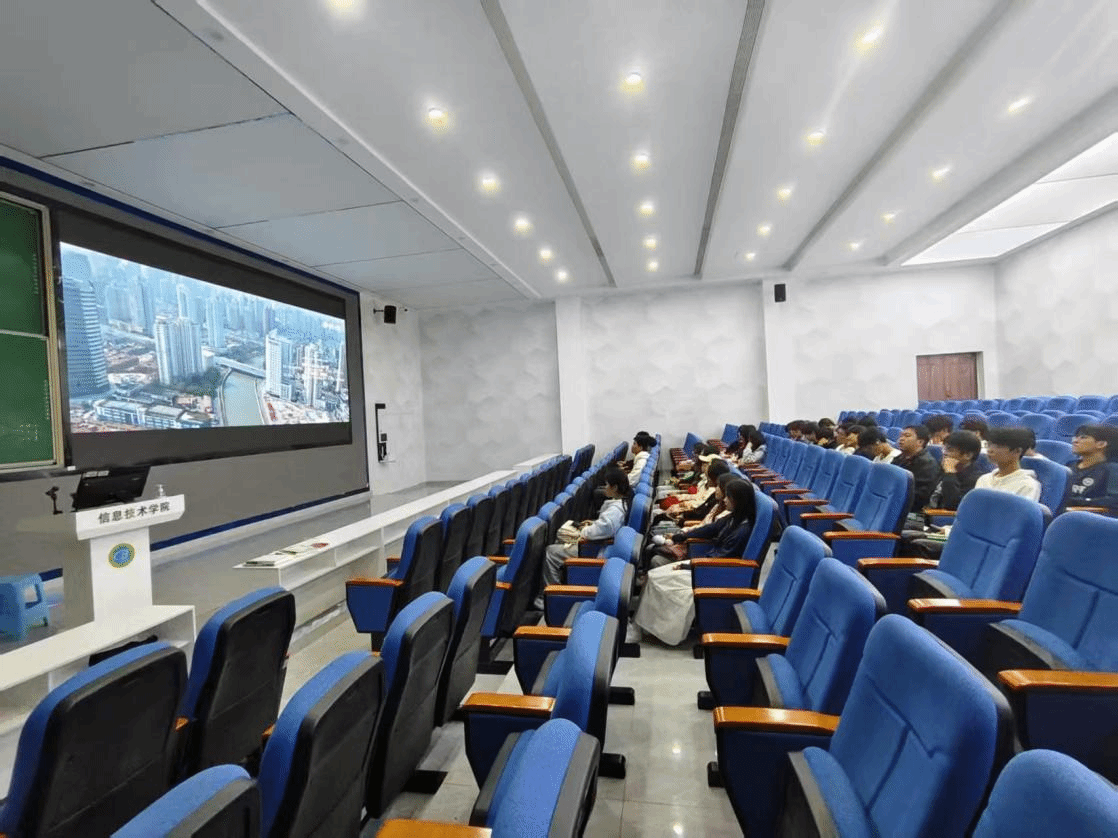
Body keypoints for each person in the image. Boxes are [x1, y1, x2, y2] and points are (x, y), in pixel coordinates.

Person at [634, 478, 756, 645]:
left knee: (658, 579)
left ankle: (661, 631)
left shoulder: (743, 530)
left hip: (712, 572)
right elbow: (709, 529)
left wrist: (688, 565)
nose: (725, 500)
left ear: (738, 500)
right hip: (705, 566)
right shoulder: (733, 518)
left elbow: (721, 558)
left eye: (729, 497)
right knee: (654, 574)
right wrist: (681, 536)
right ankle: (645, 627)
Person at [537, 466, 632, 604]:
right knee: (559, 545)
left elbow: (598, 531)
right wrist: (593, 523)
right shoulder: (622, 503)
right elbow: (604, 527)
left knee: (551, 552)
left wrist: (584, 530)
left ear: (615, 487)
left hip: (593, 550)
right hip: (598, 545)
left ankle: (552, 597)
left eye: (607, 485)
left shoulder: (614, 511)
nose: (605, 488)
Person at [975, 427, 1041, 501]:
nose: (990, 450)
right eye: (989, 445)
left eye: (999, 446)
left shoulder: (1028, 485)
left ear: (1017, 451)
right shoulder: (984, 479)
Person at [927, 430, 985, 510]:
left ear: (968, 455)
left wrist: (950, 473)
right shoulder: (940, 467)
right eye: (944, 449)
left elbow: (953, 505)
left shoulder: (976, 479)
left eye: (950, 450)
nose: (944, 453)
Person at [1066, 424, 1118, 513]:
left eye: (1083, 437)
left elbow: (1113, 503)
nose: (1075, 441)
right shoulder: (1069, 465)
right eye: (1076, 437)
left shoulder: (1112, 470)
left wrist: (1074, 509)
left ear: (1101, 444)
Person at [893, 424, 942, 514]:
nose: (901, 439)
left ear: (920, 442)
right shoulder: (899, 459)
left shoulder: (928, 464)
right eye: (901, 436)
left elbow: (919, 496)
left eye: (907, 436)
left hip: (911, 511)